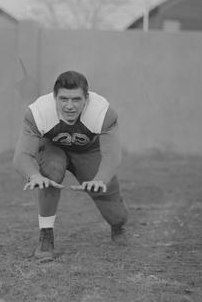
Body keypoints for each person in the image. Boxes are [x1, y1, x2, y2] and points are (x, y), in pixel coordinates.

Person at [12, 71, 129, 262]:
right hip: (53, 148)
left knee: (117, 214)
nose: (69, 106)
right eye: (63, 99)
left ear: (87, 98)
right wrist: (34, 175)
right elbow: (21, 156)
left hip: (88, 152)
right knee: (49, 174)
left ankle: (117, 226)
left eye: (76, 99)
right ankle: (46, 235)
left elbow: (112, 155)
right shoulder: (38, 112)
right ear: (54, 97)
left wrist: (101, 178)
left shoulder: (103, 113)